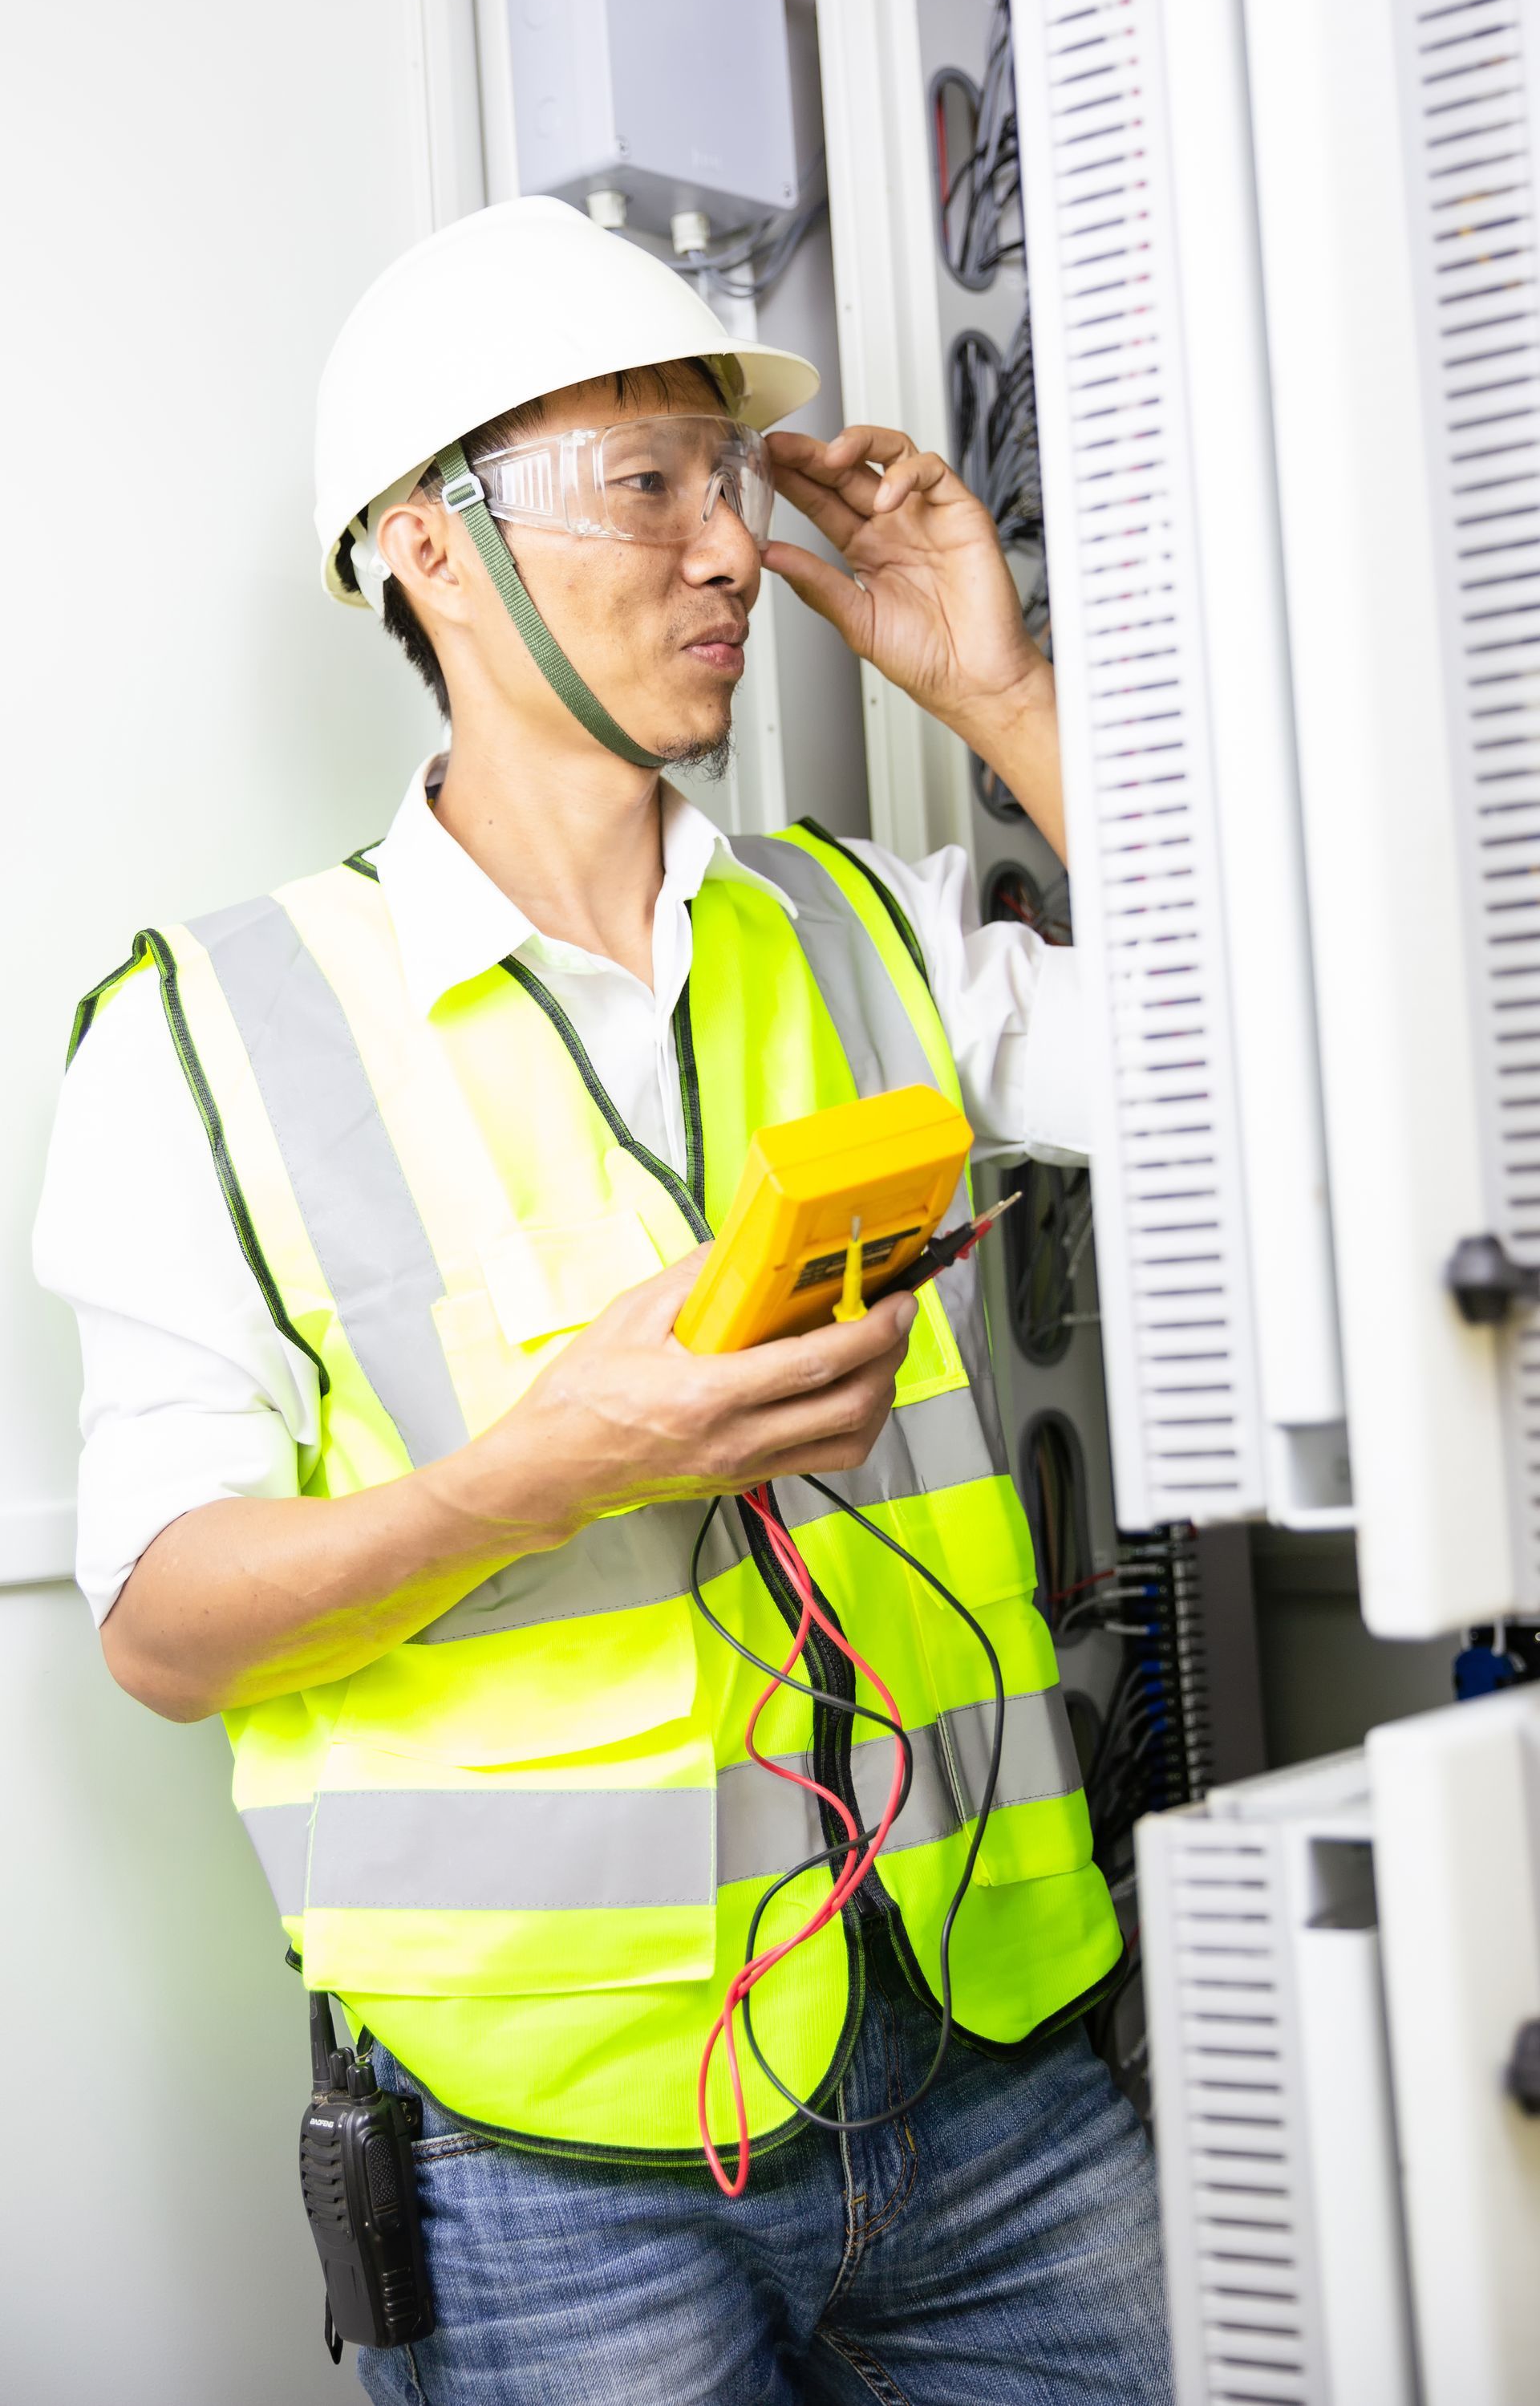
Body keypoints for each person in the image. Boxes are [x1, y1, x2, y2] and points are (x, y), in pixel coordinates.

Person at [35, 199, 1171, 2404]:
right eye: (642, 485)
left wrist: (1009, 695)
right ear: (422, 549)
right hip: (548, 2174)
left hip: (999, 2083)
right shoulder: (204, 1033)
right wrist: (558, 1465)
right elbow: (166, 1626)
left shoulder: (867, 935)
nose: (730, 553)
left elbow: (1291, 1062)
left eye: (724, 485)